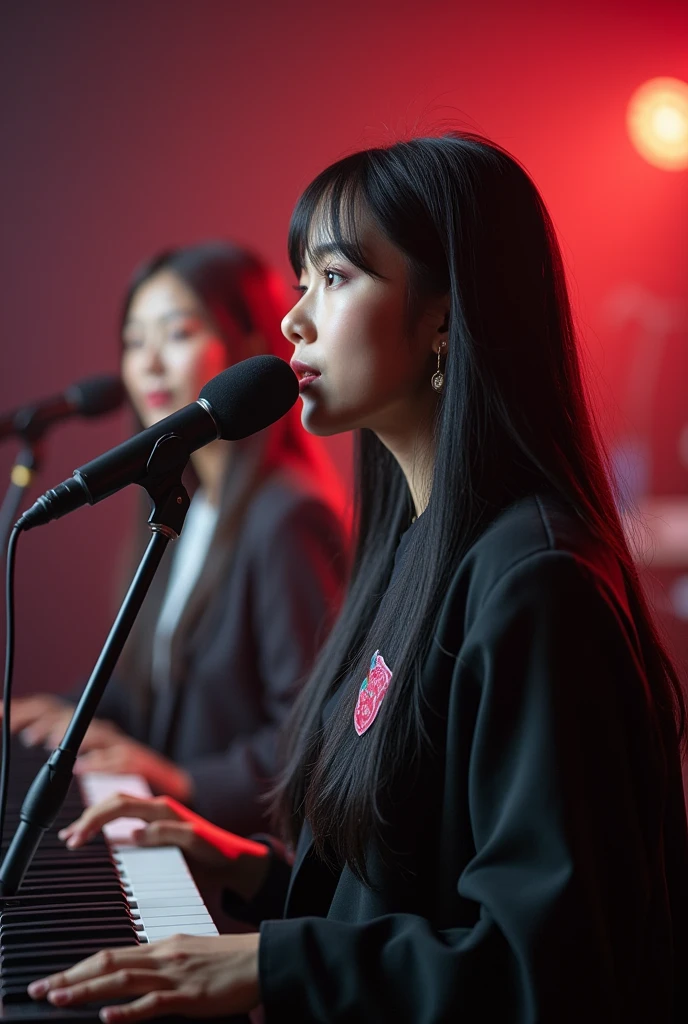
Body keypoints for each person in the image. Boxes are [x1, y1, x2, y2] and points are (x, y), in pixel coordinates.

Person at [28, 135, 688, 1022]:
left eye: (335, 278)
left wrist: (274, 966)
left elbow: (546, 969)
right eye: (302, 280)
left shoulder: (538, 583)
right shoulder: (417, 548)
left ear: (450, 314)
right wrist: (253, 869)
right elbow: (417, 886)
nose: (295, 320)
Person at [10, 241, 347, 834]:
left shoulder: (286, 515)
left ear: (246, 348)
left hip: (239, 858)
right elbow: (151, 686)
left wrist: (184, 782)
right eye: (134, 343)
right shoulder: (184, 504)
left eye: (177, 333)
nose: (149, 364)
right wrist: (66, 713)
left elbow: (313, 732)